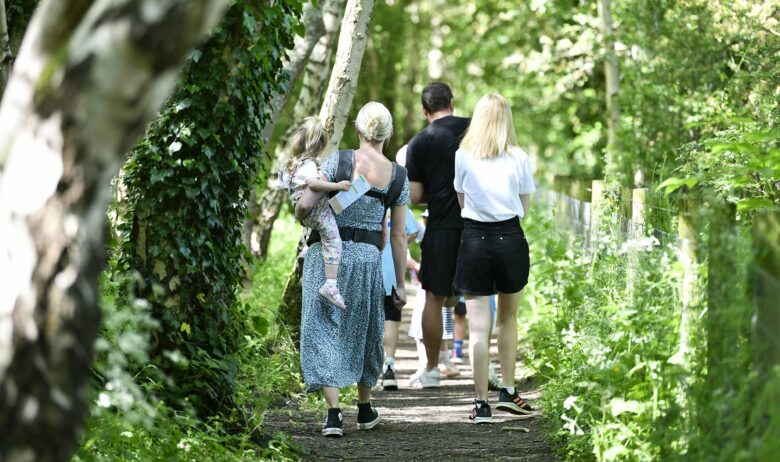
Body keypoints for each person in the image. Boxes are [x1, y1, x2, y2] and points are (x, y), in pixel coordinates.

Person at [295, 102, 409, 437]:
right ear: (387, 135)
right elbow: (400, 236)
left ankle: (333, 414)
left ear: (358, 130)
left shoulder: (338, 161)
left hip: (327, 255)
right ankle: (363, 407)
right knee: (364, 327)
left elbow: (307, 203)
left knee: (322, 326)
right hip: (367, 259)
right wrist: (399, 284)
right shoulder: (398, 176)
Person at [453, 93, 536, 424]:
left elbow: (461, 202)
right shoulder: (519, 158)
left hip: (474, 239)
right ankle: (509, 390)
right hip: (510, 239)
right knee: (507, 319)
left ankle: (480, 403)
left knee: (478, 328)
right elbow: (525, 208)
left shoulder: (463, 156)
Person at [405, 82, 470, 387]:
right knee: (479, 296)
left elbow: (415, 195)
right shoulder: (475, 130)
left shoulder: (418, 143)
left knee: (433, 297)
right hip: (477, 224)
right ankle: (488, 369)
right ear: (452, 103)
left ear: (424, 110)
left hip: (440, 227)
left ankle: (431, 369)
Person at [279, 117, 352, 309]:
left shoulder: (294, 164)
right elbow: (313, 184)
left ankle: (306, 249)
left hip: (306, 212)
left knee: (322, 232)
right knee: (334, 240)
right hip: (315, 211)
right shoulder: (309, 165)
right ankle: (331, 284)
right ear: (319, 144)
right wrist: (336, 185)